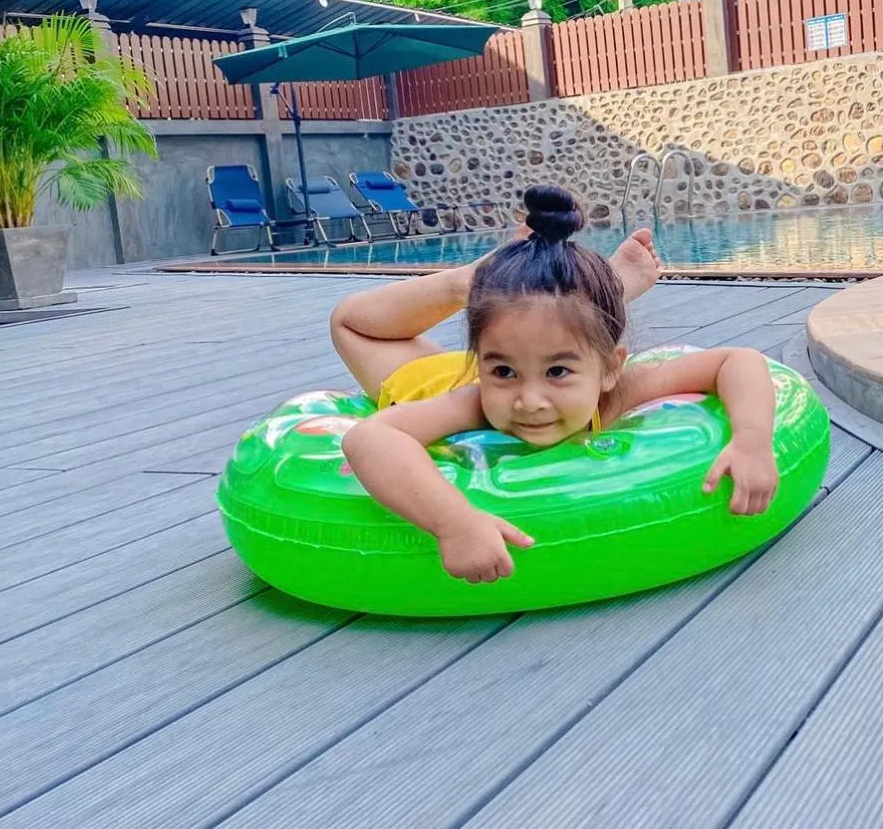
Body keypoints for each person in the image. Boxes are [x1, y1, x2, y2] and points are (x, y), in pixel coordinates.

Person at [332, 185, 780, 584]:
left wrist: (753, 440)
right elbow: (371, 438)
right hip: (426, 380)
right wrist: (453, 523)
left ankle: (591, 293)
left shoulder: (615, 389)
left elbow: (737, 361)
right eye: (504, 374)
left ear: (610, 368)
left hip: (513, 350)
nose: (529, 402)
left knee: (555, 329)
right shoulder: (475, 402)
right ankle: (466, 283)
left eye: (558, 373)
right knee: (348, 323)